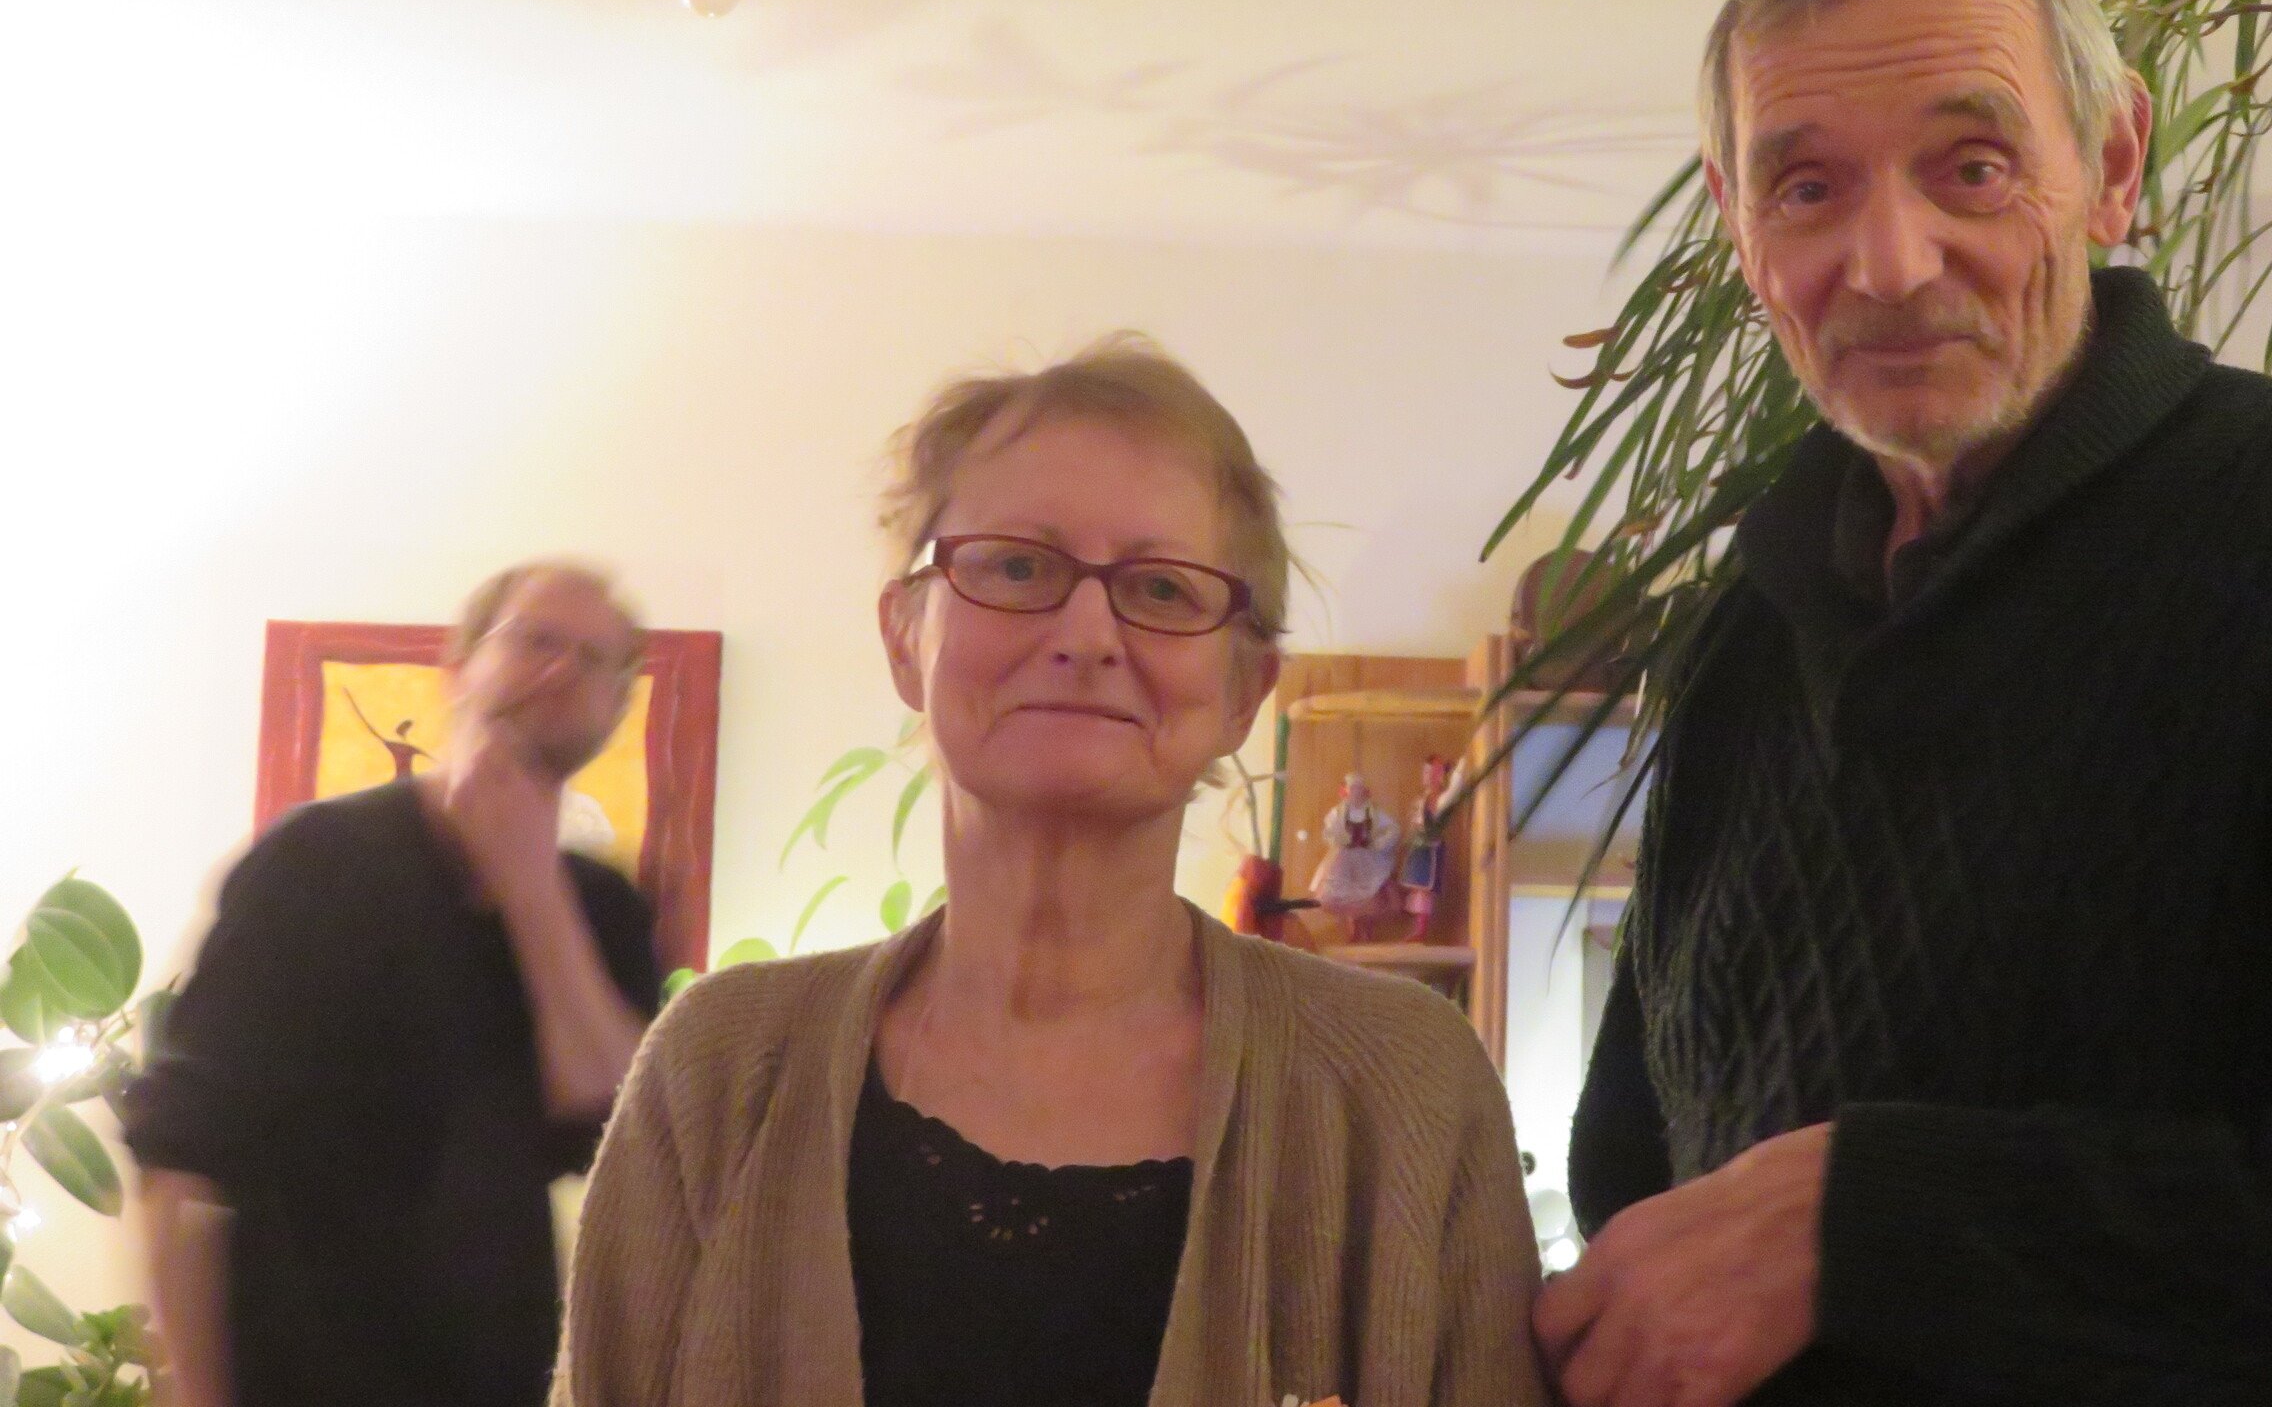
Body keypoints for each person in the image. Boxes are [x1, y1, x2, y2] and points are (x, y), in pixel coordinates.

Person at [1540, 0, 2272, 1406]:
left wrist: (1869, 1226)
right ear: (1740, 228)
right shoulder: (1739, 646)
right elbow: (1642, 1194)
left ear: (2111, 166)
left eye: (1970, 168)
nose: (1889, 263)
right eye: (1808, 188)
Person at [556, 336, 1547, 1407]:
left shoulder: (1407, 1090)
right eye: (1019, 567)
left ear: (1243, 691)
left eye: (1162, 588)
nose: (1087, 634)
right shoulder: (718, 1068)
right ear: (905, 636)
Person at [128, 563, 664, 1407]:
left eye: (596, 659)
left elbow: (617, 1127)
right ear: (458, 667)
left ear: (617, 711)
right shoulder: (313, 863)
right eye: (536, 640)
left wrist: (531, 887)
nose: (564, 669)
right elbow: (178, 1156)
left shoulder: (606, 909)